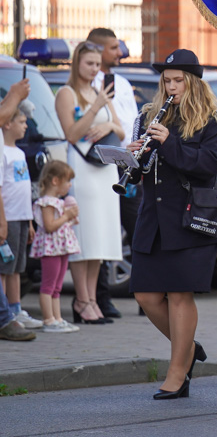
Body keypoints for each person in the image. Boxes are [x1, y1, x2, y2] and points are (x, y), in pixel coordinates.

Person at [128, 49, 217, 400]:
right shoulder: (149, 116)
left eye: (178, 81)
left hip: (189, 218)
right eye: (167, 81)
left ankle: (178, 371)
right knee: (145, 294)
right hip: (153, 218)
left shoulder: (216, 121)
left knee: (179, 295)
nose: (171, 87)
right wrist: (133, 158)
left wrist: (168, 143)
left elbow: (206, 165)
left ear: (194, 83)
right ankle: (187, 348)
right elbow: (144, 172)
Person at [55, 41, 124, 325]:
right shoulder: (66, 93)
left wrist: (107, 125)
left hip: (104, 169)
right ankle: (81, 299)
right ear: (77, 64)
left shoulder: (100, 91)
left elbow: (119, 129)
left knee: (101, 239)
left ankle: (93, 298)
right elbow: (72, 134)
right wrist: (95, 108)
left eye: (98, 64)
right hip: (82, 169)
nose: (95, 69)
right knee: (84, 237)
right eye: (89, 64)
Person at [88, 27, 137, 320]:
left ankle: (148, 294)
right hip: (99, 164)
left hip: (126, 163)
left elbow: (129, 123)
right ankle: (100, 297)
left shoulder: (122, 81)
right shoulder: (87, 83)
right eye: (112, 47)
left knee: (138, 228)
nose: (119, 53)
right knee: (103, 232)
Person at [0, 108, 40, 329]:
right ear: (7, 124)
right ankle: (4, 312)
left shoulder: (20, 152)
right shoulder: (2, 153)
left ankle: (15, 309)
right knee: (4, 268)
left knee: (17, 268)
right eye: (22, 121)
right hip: (9, 218)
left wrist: (30, 221)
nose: (26, 126)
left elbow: (24, 190)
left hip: (22, 218)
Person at [31, 161, 81, 333]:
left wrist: (71, 215)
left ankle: (57, 318)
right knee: (48, 285)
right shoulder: (47, 203)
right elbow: (50, 226)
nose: (70, 185)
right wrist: (67, 215)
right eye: (67, 181)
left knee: (57, 286)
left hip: (61, 248)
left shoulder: (59, 202)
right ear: (55, 181)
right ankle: (48, 319)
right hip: (51, 249)